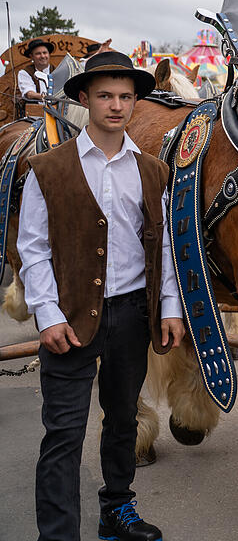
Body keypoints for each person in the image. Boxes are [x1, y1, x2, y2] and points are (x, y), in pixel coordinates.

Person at [17, 51, 185, 541]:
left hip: (132, 313)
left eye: (126, 96)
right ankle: (59, 533)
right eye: (106, 95)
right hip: (68, 318)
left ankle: (117, 507)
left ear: (135, 102)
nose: (116, 105)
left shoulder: (153, 171)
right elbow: (33, 248)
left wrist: (169, 308)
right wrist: (47, 315)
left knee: (122, 421)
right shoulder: (47, 169)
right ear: (85, 99)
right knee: (64, 435)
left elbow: (164, 247)